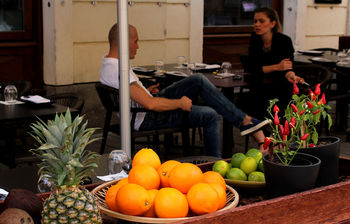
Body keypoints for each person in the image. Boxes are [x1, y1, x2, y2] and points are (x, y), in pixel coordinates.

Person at [100, 23, 270, 157]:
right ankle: (214, 164)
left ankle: (244, 121)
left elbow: (137, 95)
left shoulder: (109, 64)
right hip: (145, 118)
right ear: (123, 41)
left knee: (197, 80)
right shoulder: (118, 69)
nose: (138, 46)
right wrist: (179, 103)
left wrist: (145, 90)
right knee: (210, 115)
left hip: (140, 110)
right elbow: (151, 105)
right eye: (136, 41)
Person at [245, 7, 305, 119]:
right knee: (242, 104)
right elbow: (252, 67)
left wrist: (291, 75)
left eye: (261, 21)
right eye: (255, 21)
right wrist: (277, 67)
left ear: (272, 24)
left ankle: (273, 131)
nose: (257, 25)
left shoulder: (284, 41)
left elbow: (287, 68)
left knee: (279, 100)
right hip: (259, 85)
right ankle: (262, 133)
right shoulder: (255, 39)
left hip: (280, 86)